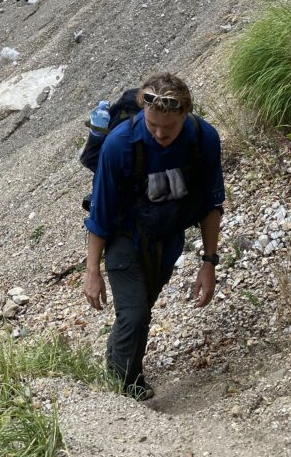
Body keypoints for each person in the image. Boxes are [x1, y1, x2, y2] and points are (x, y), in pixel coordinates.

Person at [82, 73, 224, 400]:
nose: (160, 134)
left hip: (168, 238)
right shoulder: (119, 145)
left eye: (169, 128)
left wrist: (209, 263)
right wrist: (92, 272)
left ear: (185, 114)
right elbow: (100, 214)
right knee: (132, 314)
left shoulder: (204, 140)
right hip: (123, 237)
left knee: (142, 309)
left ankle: (132, 380)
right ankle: (119, 396)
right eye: (152, 125)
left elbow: (211, 205)